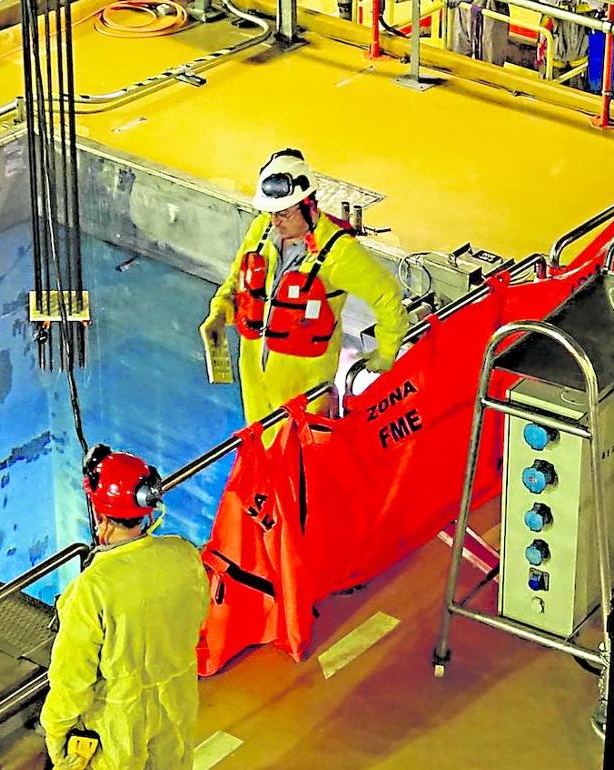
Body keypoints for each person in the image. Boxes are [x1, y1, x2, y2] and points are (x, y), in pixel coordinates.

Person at [200, 149, 409, 425]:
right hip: (255, 380)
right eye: (271, 213)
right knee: (263, 452)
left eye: (284, 214)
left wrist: (385, 352)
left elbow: (387, 294)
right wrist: (219, 312)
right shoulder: (262, 230)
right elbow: (238, 279)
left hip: (306, 391)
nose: (275, 221)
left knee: (304, 462)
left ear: (308, 205)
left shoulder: (338, 253)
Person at [40, 446, 209, 770]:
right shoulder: (184, 555)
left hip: (117, 726)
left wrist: (56, 730)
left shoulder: (91, 589)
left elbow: (72, 680)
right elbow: (197, 618)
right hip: (176, 704)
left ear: (99, 513)